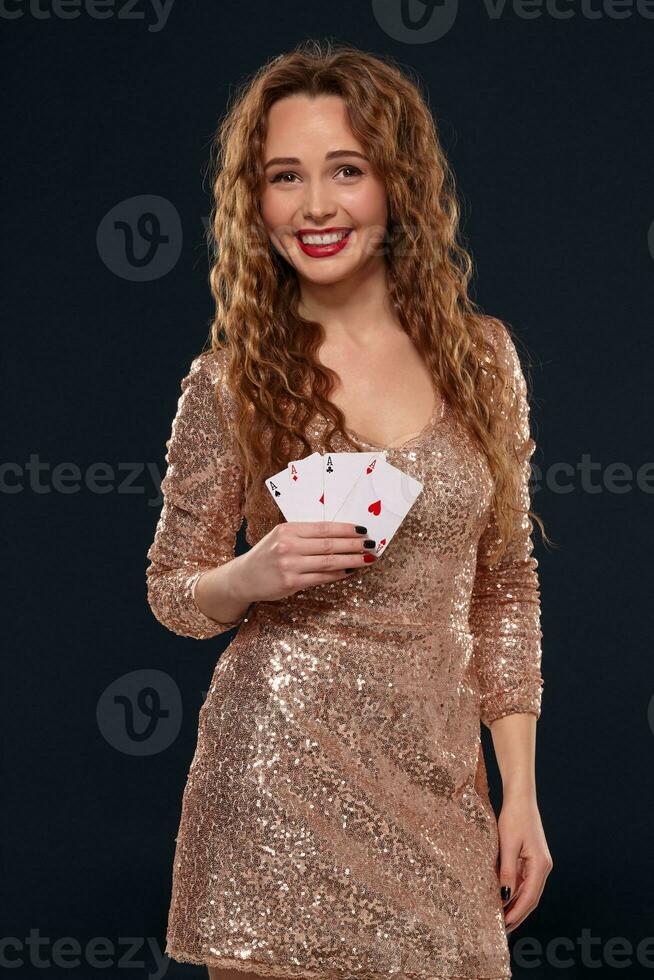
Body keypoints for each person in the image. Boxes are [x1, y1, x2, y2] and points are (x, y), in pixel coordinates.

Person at [145, 39, 553, 980]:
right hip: (274, 778)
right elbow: (173, 591)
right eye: (286, 176)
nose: (316, 206)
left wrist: (519, 794)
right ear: (257, 200)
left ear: (395, 187)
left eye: (346, 171)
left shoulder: (485, 361)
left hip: (440, 783)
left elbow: (507, 589)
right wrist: (253, 574)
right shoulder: (229, 381)